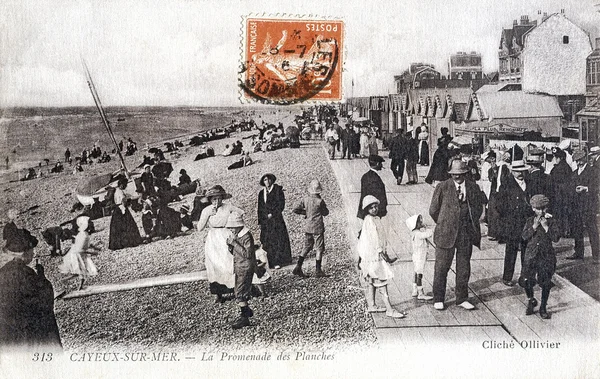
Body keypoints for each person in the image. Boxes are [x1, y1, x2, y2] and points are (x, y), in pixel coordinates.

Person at [429, 160, 486, 311]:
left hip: (465, 234)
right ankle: (438, 298)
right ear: (450, 174)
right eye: (454, 174)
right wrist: (445, 223)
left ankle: (462, 298)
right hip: (445, 234)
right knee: (441, 267)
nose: (457, 176)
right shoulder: (442, 187)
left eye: (460, 174)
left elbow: (478, 208)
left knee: (463, 268)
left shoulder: (473, 187)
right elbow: (433, 210)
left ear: (465, 173)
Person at [0, 247, 62, 349]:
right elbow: (43, 298)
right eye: (31, 251)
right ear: (24, 253)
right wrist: (42, 277)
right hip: (27, 327)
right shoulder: (27, 273)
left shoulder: (2, 271)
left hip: (7, 328)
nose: (33, 254)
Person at [357, 195, 406, 319]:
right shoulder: (369, 220)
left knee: (372, 281)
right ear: (366, 209)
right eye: (371, 207)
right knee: (381, 280)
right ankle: (389, 309)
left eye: (376, 207)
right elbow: (373, 238)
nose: (374, 209)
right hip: (374, 255)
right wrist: (381, 252)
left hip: (373, 255)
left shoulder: (376, 219)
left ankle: (372, 304)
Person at [519, 195, 560, 319]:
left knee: (545, 282)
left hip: (546, 256)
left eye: (543, 208)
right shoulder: (530, 221)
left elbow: (556, 238)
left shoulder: (552, 221)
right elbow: (524, 236)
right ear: (532, 208)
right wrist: (534, 227)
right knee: (526, 280)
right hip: (531, 256)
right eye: (538, 209)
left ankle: (543, 306)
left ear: (547, 208)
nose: (541, 211)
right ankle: (531, 299)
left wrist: (546, 227)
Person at [197, 185, 240, 302]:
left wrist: (232, 222)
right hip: (213, 237)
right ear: (210, 200)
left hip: (225, 234)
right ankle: (218, 293)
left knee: (229, 262)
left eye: (219, 198)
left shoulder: (228, 207)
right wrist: (208, 215)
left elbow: (241, 213)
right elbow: (199, 227)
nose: (217, 201)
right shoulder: (206, 210)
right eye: (214, 199)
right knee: (213, 265)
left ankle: (235, 290)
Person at [497, 160, 534, 286]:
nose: (520, 173)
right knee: (511, 250)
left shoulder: (530, 183)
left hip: (527, 222)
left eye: (522, 170)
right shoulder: (506, 185)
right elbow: (500, 205)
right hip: (512, 223)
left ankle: (526, 276)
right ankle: (507, 277)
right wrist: (508, 217)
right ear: (512, 172)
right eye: (517, 171)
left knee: (527, 250)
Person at [292, 179, 330, 278]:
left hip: (308, 226)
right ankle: (318, 270)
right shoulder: (320, 201)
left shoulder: (305, 199)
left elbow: (295, 209)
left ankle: (298, 266)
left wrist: (306, 213)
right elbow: (325, 213)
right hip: (317, 226)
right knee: (319, 247)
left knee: (307, 246)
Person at [225, 212, 256, 329]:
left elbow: (247, 254)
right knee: (239, 290)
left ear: (239, 226)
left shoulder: (246, 236)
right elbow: (236, 252)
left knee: (239, 292)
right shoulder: (238, 235)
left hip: (245, 267)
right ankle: (246, 311)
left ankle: (245, 317)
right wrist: (230, 247)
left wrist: (234, 243)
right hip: (240, 266)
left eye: (233, 227)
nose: (231, 230)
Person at [567, 150, 599, 262]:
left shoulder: (593, 171)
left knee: (592, 230)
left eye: (580, 160)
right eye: (577, 161)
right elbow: (571, 187)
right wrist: (574, 190)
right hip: (576, 206)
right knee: (577, 230)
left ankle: (597, 255)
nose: (579, 163)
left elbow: (597, 187)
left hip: (588, 205)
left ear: (584, 158)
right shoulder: (575, 173)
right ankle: (579, 252)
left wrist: (586, 189)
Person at [257, 173, 292, 269]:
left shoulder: (277, 190)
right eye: (265, 180)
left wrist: (273, 213)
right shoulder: (261, 193)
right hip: (266, 221)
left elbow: (281, 204)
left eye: (269, 180)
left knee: (278, 239)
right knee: (268, 240)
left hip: (276, 220)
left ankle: (278, 260)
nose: (267, 182)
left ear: (272, 180)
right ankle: (270, 261)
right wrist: (261, 220)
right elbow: (260, 207)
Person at [59, 216, 99, 291]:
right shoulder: (83, 235)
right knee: (80, 271)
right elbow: (80, 249)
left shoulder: (83, 233)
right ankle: (71, 284)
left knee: (80, 271)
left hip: (78, 253)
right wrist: (92, 252)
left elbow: (86, 244)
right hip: (77, 254)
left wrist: (95, 248)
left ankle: (77, 286)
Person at [108, 178, 143, 250]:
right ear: (121, 185)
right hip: (122, 209)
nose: (126, 186)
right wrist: (131, 200)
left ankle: (118, 243)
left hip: (117, 209)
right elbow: (124, 201)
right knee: (128, 225)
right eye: (125, 185)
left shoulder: (116, 191)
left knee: (117, 227)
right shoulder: (120, 192)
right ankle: (130, 241)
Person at [406, 214, 434, 301]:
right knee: (419, 274)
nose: (421, 222)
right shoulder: (418, 234)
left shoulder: (414, 233)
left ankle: (415, 290)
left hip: (416, 255)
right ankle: (420, 292)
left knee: (416, 272)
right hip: (420, 256)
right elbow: (428, 234)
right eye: (419, 221)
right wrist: (428, 228)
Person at [549, 148, 573, 238]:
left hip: (559, 193)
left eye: (556, 157)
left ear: (561, 158)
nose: (555, 159)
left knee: (559, 212)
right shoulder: (567, 167)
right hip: (565, 194)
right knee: (565, 212)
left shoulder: (557, 168)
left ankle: (562, 230)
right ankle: (566, 230)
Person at [357, 155, 388, 219]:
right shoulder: (375, 178)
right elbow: (376, 195)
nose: (382, 166)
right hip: (374, 211)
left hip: (368, 208)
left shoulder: (365, 176)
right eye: (381, 163)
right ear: (377, 164)